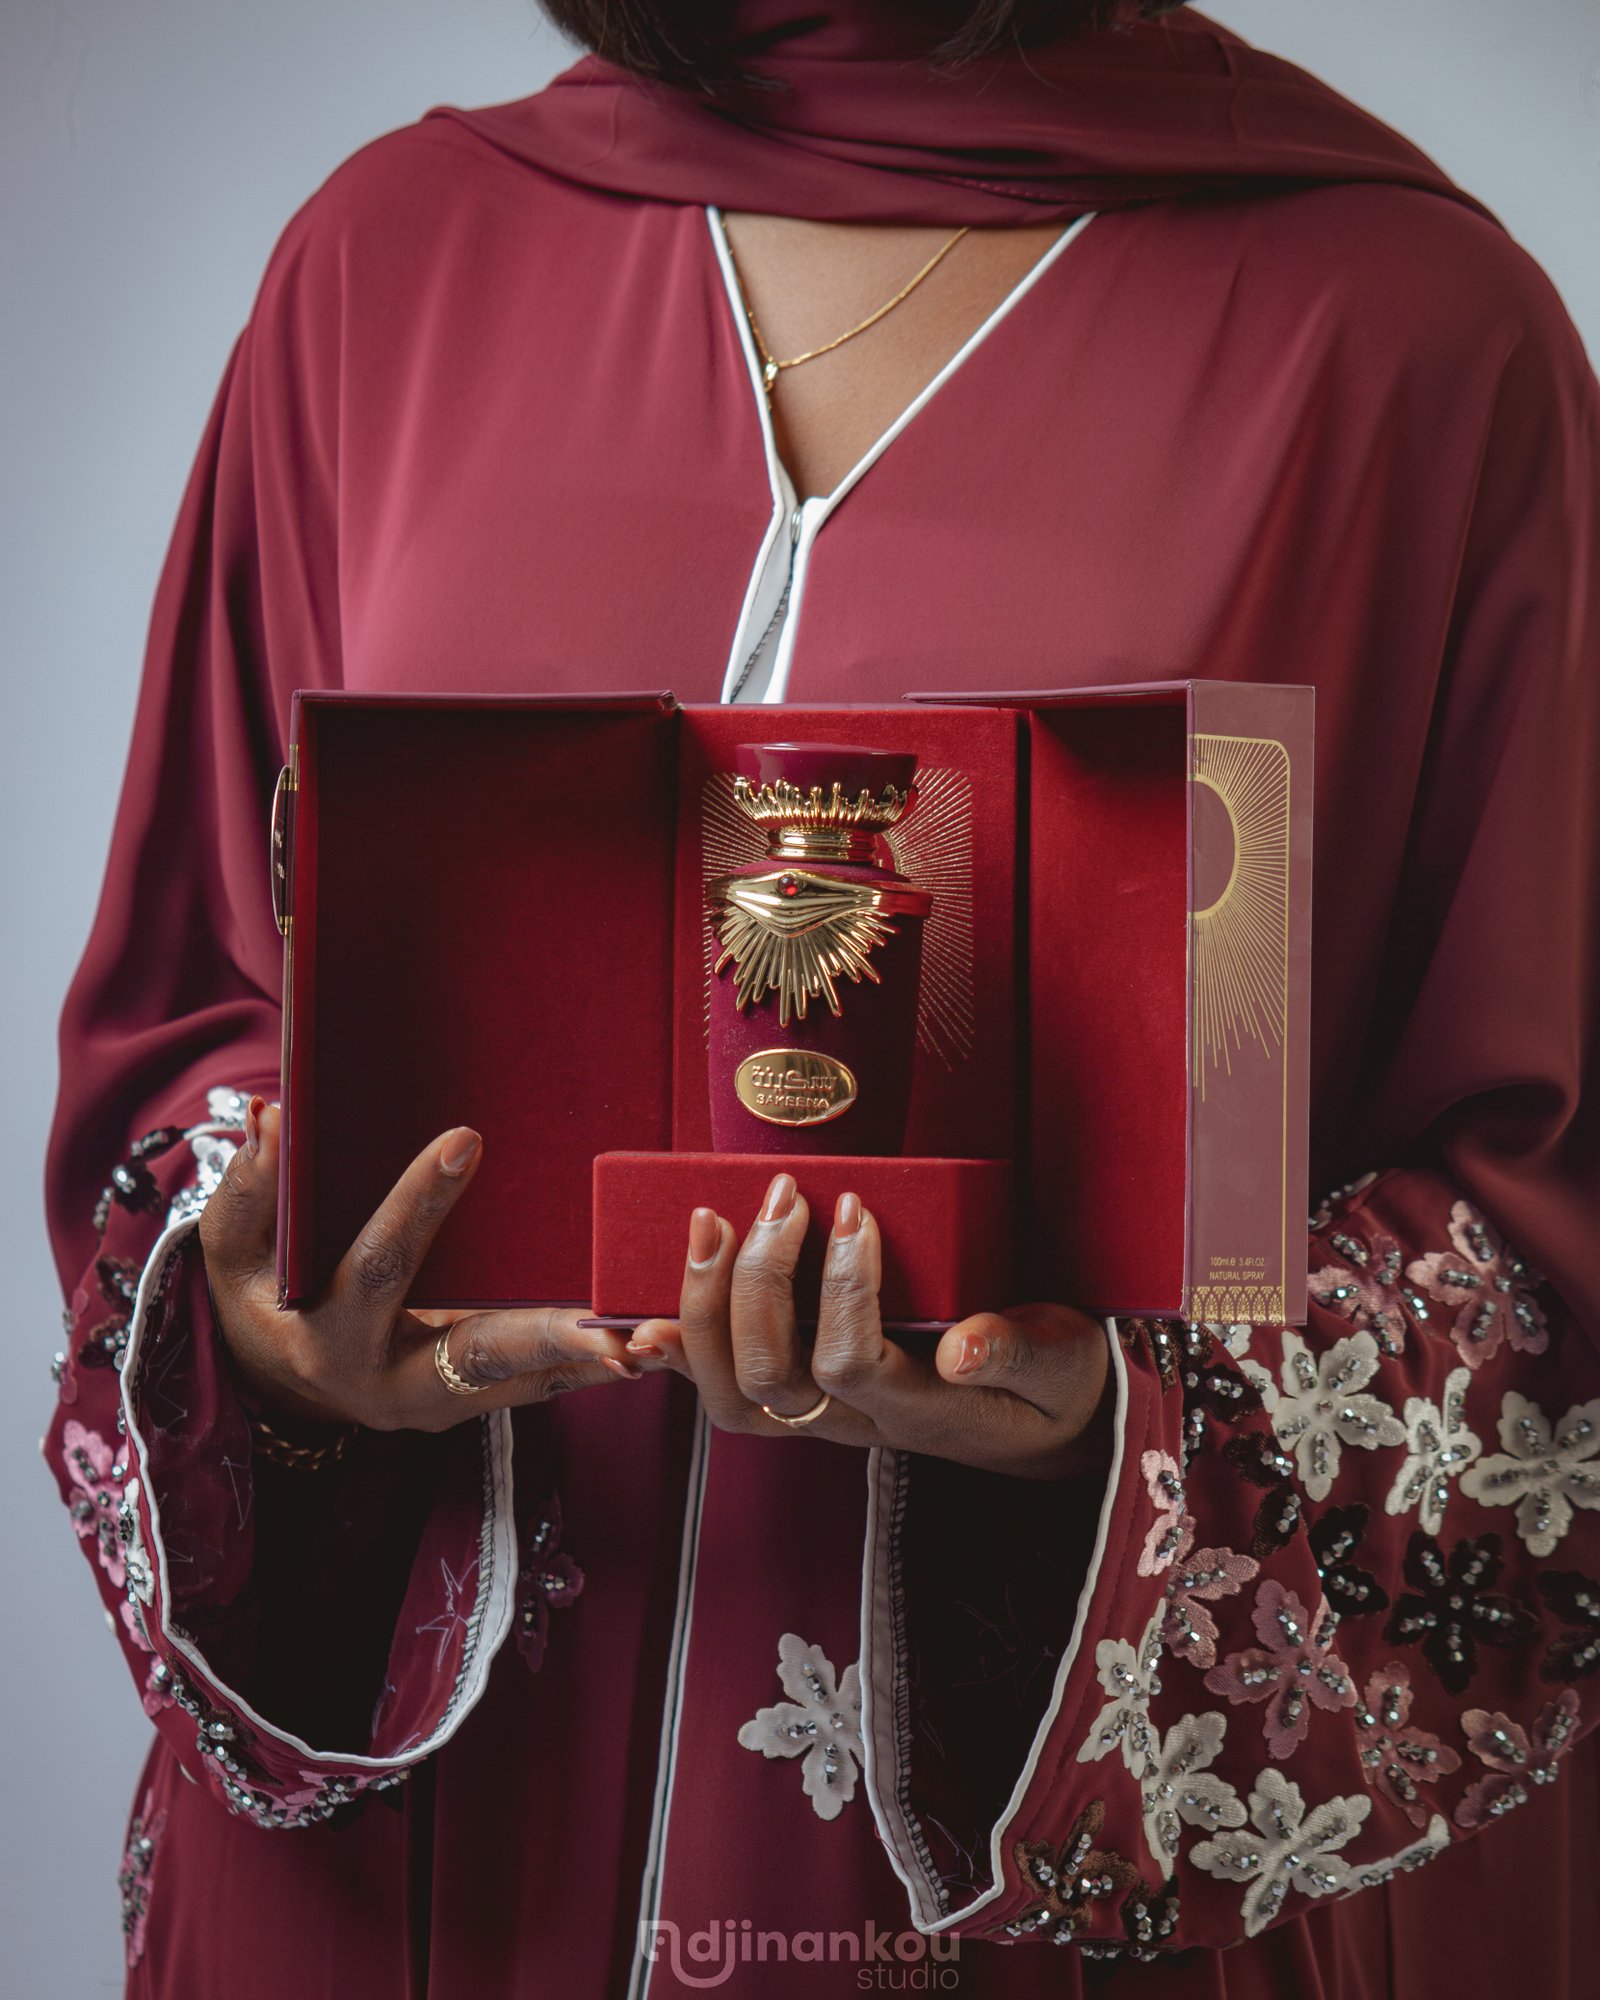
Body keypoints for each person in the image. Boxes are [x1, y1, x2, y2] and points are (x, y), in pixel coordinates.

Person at [43, 3, 1600, 1994]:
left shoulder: (1406, 335)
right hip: (408, 1883)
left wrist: (1099, 1430)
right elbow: (195, 1013)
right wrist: (260, 1335)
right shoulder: (391, 261)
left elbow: (1542, 1229)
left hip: (987, 1913)